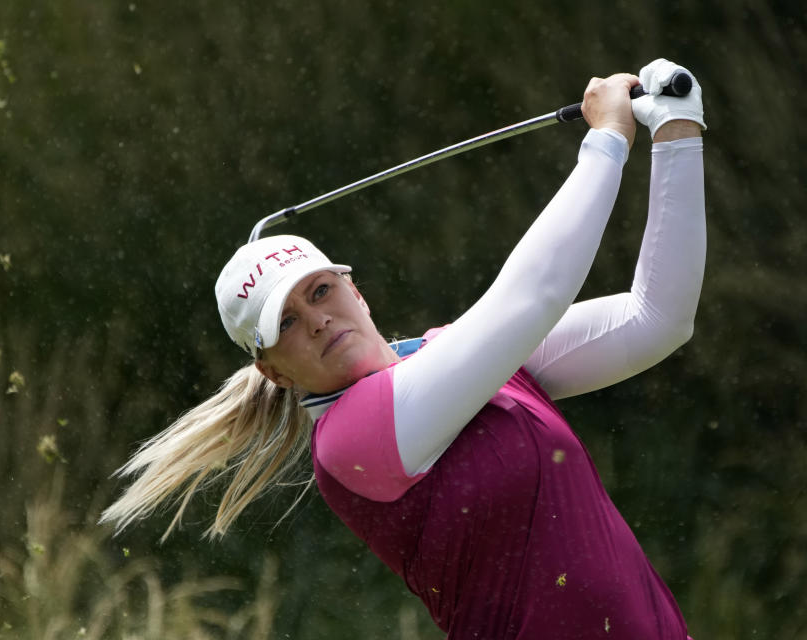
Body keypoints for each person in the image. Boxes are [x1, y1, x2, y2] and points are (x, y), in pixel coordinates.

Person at [102, 58, 706, 639]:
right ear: (273, 373)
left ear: (355, 291)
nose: (315, 320)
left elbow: (657, 318)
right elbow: (533, 296)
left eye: (320, 291)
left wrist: (679, 131)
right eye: (285, 323)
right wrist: (605, 143)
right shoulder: (350, 438)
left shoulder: (462, 356)